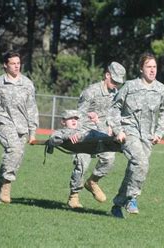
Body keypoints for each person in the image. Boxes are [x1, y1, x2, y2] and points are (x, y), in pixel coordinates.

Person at [108, 53, 164, 218]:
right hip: (129, 132)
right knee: (141, 163)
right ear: (141, 69)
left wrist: (159, 133)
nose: (152, 70)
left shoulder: (161, 90)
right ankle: (132, 198)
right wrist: (118, 130)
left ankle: (117, 204)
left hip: (147, 137)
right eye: (149, 67)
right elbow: (114, 108)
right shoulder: (130, 86)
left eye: (155, 67)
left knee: (134, 170)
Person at [0, 51, 39, 204]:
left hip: (22, 128)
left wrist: (32, 132)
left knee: (14, 159)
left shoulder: (28, 84)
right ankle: (6, 186)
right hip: (4, 123)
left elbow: (32, 109)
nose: (17, 66)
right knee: (14, 150)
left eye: (18, 63)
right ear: (5, 65)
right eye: (13, 63)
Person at [66, 61, 126, 209]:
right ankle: (74, 196)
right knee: (82, 163)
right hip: (85, 133)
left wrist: (115, 129)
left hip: (102, 133)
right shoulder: (91, 91)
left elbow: (114, 115)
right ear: (107, 75)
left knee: (109, 159)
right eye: (113, 81)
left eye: (118, 82)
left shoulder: (115, 94)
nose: (115, 84)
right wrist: (75, 133)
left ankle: (92, 182)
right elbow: (78, 114)